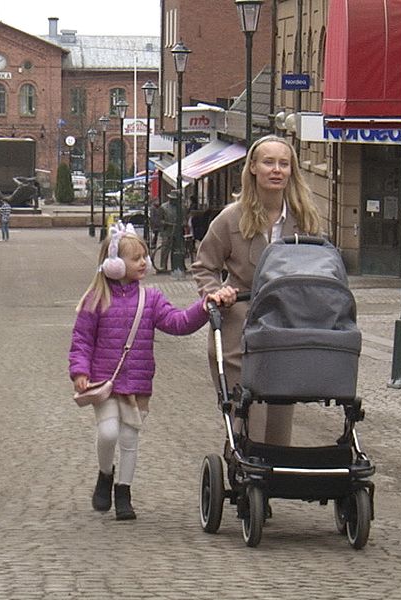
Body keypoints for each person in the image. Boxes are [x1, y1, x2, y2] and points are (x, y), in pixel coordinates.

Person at [68, 223, 228, 521]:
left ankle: (123, 491)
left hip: (138, 384)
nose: (143, 262)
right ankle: (105, 473)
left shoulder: (151, 299)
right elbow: (81, 340)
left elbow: (177, 323)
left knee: (130, 440)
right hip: (104, 381)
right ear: (114, 264)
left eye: (144, 256)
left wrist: (204, 307)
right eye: (135, 258)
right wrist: (79, 370)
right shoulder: (96, 299)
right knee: (108, 432)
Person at [192, 134, 321, 446]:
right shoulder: (231, 218)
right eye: (268, 162)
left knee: (279, 416)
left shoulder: (304, 218)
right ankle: (245, 466)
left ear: (291, 171)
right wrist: (215, 293)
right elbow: (204, 266)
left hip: (286, 323)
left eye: (283, 164)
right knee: (248, 412)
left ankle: (272, 475)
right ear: (253, 167)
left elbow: (320, 263)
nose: (276, 170)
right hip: (241, 324)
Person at [158, 194, 178, 271]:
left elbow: (184, 218)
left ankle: (175, 266)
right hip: (167, 231)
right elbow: (160, 219)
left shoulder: (180, 207)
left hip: (177, 231)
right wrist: (166, 223)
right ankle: (163, 265)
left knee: (176, 249)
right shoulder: (163, 207)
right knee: (165, 248)